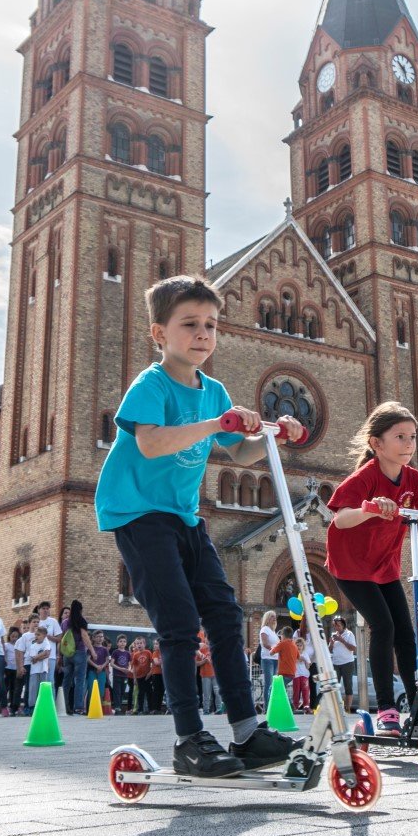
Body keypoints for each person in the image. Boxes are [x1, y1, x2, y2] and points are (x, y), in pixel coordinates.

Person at [93, 274, 303, 777]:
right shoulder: (153, 384)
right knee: (180, 624)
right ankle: (189, 739)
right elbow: (150, 443)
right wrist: (217, 424)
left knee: (227, 617)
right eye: (190, 324)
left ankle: (248, 733)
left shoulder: (215, 391)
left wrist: (275, 436)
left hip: (187, 518)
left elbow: (241, 453)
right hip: (140, 514)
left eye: (211, 325)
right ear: (159, 334)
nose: (203, 334)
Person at [323, 401, 418, 736]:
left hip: (384, 566)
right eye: (400, 436)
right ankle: (386, 711)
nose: (409, 444)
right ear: (377, 444)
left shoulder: (414, 480)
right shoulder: (365, 478)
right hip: (351, 565)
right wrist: (370, 509)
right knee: (382, 626)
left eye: (412, 437)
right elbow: (339, 518)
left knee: (406, 632)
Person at [62, 600, 93, 714]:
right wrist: (92, 651)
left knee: (66, 681)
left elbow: (62, 638)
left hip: (67, 654)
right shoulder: (82, 621)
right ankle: (78, 707)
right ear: (80, 610)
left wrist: (60, 655)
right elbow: (85, 636)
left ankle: (64, 706)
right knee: (79, 681)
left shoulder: (65, 622)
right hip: (80, 652)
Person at [329, 617, 358, 712]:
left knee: (348, 686)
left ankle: (347, 708)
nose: (336, 627)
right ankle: (336, 707)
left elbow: (353, 648)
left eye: (338, 625)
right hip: (336, 663)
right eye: (334, 625)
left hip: (347, 663)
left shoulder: (349, 634)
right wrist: (331, 644)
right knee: (334, 686)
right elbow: (329, 650)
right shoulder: (334, 635)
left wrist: (341, 640)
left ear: (343, 625)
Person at [24, 619, 53, 710]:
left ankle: (43, 705)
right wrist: (40, 656)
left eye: (39, 635)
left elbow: (47, 653)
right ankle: (32, 706)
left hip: (43, 669)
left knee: (43, 687)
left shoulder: (46, 643)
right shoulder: (33, 645)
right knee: (33, 688)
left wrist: (37, 657)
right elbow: (33, 659)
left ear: (44, 636)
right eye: (36, 634)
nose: (36, 636)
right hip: (34, 670)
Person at [257, 610, 280, 711]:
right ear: (267, 618)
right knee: (268, 683)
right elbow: (265, 644)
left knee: (273, 684)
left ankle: (272, 706)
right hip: (267, 659)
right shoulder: (264, 629)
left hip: (275, 659)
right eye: (271, 616)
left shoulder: (273, 631)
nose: (274, 618)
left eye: (275, 616)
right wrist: (276, 649)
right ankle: (267, 708)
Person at [194, 632, 218, 715]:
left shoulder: (215, 647)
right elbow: (196, 663)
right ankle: (206, 710)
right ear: (205, 638)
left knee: (217, 692)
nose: (209, 640)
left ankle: (219, 709)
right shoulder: (201, 649)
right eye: (207, 638)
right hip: (205, 674)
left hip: (215, 674)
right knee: (206, 694)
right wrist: (204, 661)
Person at [89, 631, 111, 713]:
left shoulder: (105, 649)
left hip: (102, 672)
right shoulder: (91, 648)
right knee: (91, 690)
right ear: (94, 638)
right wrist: (96, 666)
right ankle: (90, 709)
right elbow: (88, 659)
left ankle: (99, 709)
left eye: (101, 636)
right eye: (98, 636)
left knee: (101, 691)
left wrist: (102, 666)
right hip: (92, 671)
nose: (100, 638)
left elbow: (107, 660)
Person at [129, 637, 153, 714]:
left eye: (140, 643)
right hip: (139, 677)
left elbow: (153, 664)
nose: (139, 645)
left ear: (144, 644)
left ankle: (150, 709)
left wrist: (150, 673)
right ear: (135, 645)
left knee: (149, 692)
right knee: (140, 693)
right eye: (137, 643)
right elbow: (134, 667)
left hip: (147, 676)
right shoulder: (135, 655)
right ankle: (140, 709)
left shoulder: (148, 652)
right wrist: (135, 678)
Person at [109, 634, 131, 715]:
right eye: (120, 641)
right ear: (117, 643)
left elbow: (129, 664)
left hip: (125, 676)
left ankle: (119, 706)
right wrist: (120, 669)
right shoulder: (115, 652)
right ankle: (117, 707)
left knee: (122, 691)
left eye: (124, 641)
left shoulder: (128, 653)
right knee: (117, 692)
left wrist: (127, 670)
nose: (122, 643)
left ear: (126, 643)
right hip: (117, 675)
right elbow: (112, 663)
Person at [292, 636, 311, 712]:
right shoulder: (293, 654)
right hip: (296, 675)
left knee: (305, 691)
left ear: (303, 646)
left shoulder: (305, 654)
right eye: (297, 645)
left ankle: (306, 706)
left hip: (305, 675)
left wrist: (305, 660)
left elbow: (308, 666)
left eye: (300, 645)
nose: (299, 647)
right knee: (296, 691)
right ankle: (295, 706)